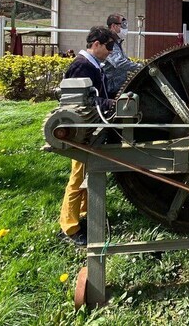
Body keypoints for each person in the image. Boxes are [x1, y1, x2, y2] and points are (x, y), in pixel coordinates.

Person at [58, 26, 116, 246]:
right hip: (82, 131)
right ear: (96, 45)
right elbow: (82, 102)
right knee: (77, 178)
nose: (111, 51)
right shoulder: (82, 66)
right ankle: (70, 227)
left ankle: (84, 216)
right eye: (108, 46)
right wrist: (109, 103)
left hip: (90, 129)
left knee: (85, 176)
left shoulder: (92, 65)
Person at [103, 13, 141, 96]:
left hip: (117, 88)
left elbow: (124, 60)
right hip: (110, 90)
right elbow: (119, 62)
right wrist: (140, 67)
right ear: (113, 26)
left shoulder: (117, 42)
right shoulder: (108, 41)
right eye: (123, 25)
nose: (125, 28)